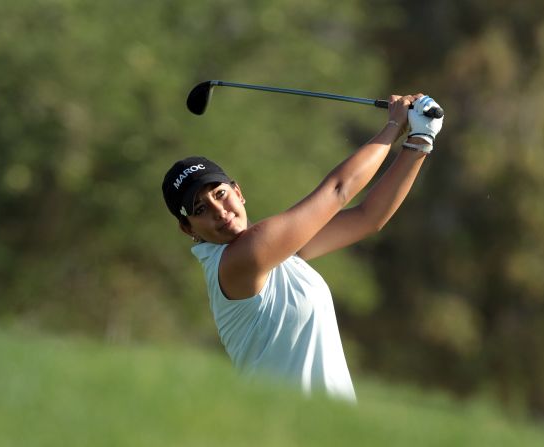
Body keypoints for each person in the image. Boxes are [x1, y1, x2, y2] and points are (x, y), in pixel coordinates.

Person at [162, 94, 443, 401]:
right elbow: (338, 190)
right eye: (200, 209)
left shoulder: (275, 256)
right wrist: (394, 125)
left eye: (220, 193)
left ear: (238, 191)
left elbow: (367, 218)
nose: (218, 210)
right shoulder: (239, 261)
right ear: (187, 228)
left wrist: (421, 139)